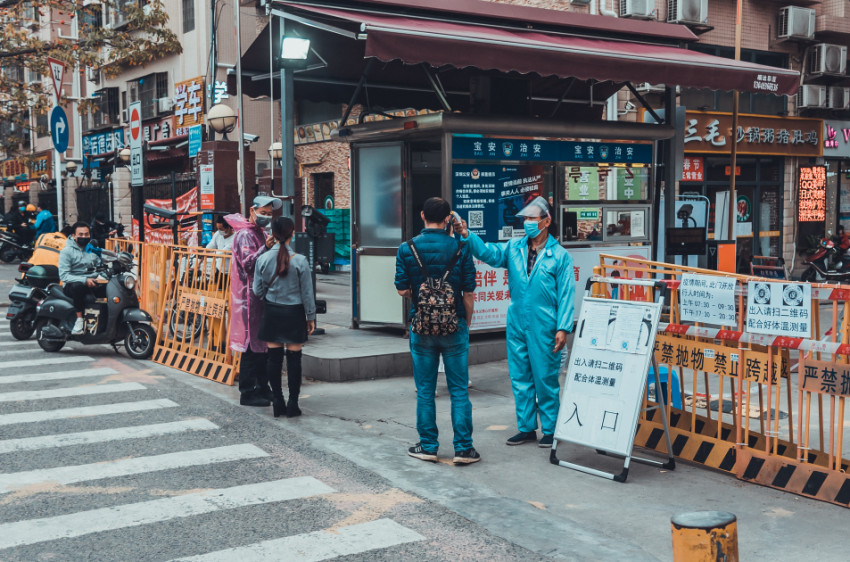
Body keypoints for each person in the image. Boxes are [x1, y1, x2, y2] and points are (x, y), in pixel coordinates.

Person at [454, 196, 575, 449]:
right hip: (517, 322)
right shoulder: (514, 248)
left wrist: (563, 328)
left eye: (532, 218)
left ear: (546, 221)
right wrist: (467, 235)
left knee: (545, 379)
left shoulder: (559, 256)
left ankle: (551, 430)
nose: (528, 223)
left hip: (546, 325)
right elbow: (488, 253)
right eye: (526, 219)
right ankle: (526, 428)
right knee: (520, 377)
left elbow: (566, 295)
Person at [395, 197, 480, 465]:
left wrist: (424, 301)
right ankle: (464, 449)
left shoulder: (407, 248)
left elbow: (401, 288)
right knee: (458, 390)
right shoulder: (460, 248)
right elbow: (468, 292)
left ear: (422, 215)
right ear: (448, 219)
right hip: (454, 326)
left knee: (425, 390)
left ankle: (429, 446)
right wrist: (464, 321)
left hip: (421, 328)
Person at [253, 216, 316, 418]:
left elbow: (257, 290)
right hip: (294, 313)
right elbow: (307, 293)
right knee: (294, 359)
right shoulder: (300, 260)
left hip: (272, 311)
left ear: (273, 233)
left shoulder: (262, 258)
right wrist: (311, 316)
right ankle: (293, 404)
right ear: (292, 232)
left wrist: (269, 296)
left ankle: (277, 401)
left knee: (274, 359)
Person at [227, 195, 281, 407]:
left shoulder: (261, 233)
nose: (267, 217)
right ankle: (247, 391)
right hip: (248, 299)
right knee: (251, 347)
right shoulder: (245, 236)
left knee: (263, 346)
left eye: (270, 214)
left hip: (261, 297)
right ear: (252, 210)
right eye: (264, 213)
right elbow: (248, 265)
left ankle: (262, 387)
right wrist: (265, 248)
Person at [58, 222, 104, 335]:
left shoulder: (92, 249)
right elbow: (64, 276)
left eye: (86, 234)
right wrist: (84, 280)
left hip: (92, 281)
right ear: (74, 236)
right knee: (77, 287)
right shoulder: (66, 252)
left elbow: (100, 266)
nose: (84, 237)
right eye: (81, 234)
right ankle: (79, 320)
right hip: (72, 284)